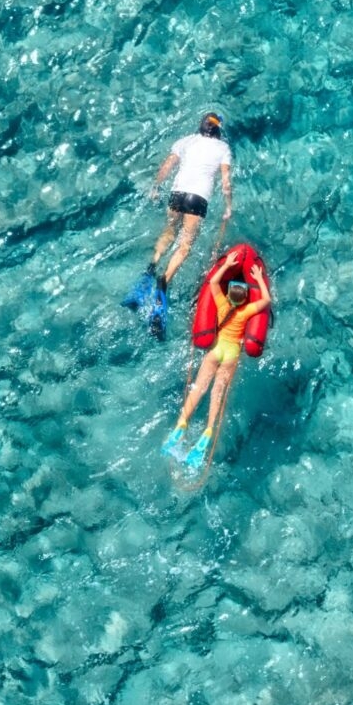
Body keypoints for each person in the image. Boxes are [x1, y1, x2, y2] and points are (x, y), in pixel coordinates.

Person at [123, 112, 232, 338]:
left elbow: (167, 166)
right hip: (197, 198)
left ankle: (151, 267)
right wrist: (228, 206)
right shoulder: (223, 149)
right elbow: (225, 182)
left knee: (169, 230)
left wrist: (155, 186)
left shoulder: (185, 141)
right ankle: (164, 281)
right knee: (185, 246)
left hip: (176, 194)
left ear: (200, 128)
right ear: (218, 130)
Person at [161, 250, 271, 471]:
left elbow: (213, 282)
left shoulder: (222, 303)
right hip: (230, 355)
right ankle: (209, 430)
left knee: (199, 388)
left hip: (215, 351)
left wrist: (226, 264)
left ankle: (181, 424)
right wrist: (259, 278)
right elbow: (266, 300)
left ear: (230, 294)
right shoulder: (246, 311)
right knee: (217, 392)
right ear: (245, 298)